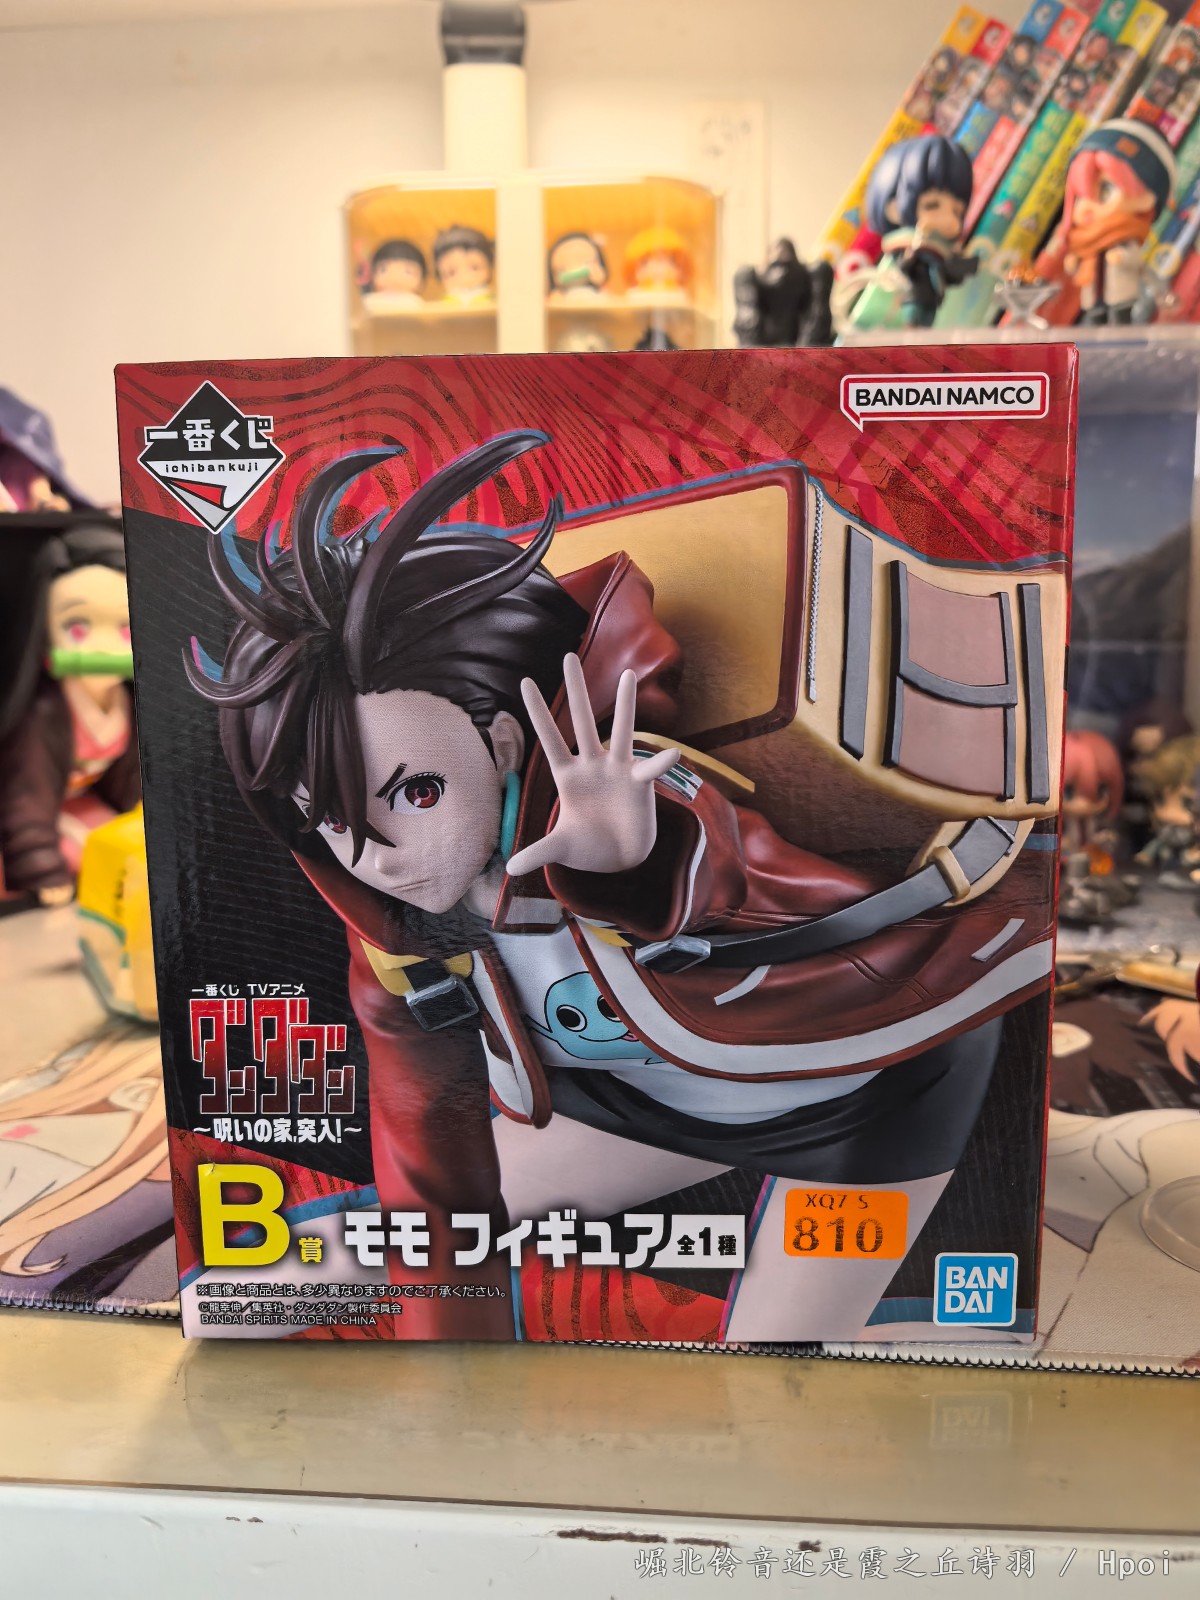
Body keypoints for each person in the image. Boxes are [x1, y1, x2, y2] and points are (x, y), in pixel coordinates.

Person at [187, 432, 1057, 1341]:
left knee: (776, 1368)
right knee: (267, 1293)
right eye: (330, 821)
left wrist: (624, 866)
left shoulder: (624, 783)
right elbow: (429, 1162)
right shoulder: (397, 929)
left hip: (863, 1083)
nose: (381, 855)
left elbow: (742, 866)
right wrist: (446, 1374)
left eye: (417, 793)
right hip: (642, 1105)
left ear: (504, 742)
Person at [0, 520, 139, 904]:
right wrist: (41, 868)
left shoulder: (126, 702)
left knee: (126, 846)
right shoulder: (44, 713)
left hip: (81, 804)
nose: (103, 648)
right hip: (35, 814)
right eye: (77, 627)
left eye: (125, 630)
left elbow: (127, 782)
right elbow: (26, 797)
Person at [847, 134, 977, 330]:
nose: (950, 220)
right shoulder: (905, 247)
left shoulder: (939, 252)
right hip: (903, 303)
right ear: (893, 207)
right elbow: (902, 268)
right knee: (912, 320)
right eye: (932, 205)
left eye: (957, 212)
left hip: (931, 301)